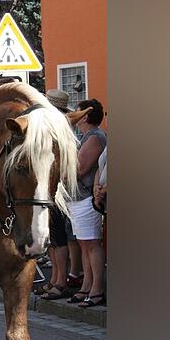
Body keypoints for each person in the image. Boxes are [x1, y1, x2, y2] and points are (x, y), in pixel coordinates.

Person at [37, 89, 83, 300]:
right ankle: (55, 278)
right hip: (54, 190)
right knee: (53, 239)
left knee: (59, 239)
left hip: (62, 192)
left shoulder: (63, 129)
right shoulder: (59, 127)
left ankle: (60, 280)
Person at [67, 99, 107, 307]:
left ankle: (96, 289)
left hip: (86, 198)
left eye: (78, 111)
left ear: (86, 116)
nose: (74, 114)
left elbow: (79, 169)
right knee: (85, 245)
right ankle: (87, 286)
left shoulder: (94, 137)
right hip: (79, 198)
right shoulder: (86, 136)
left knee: (91, 244)